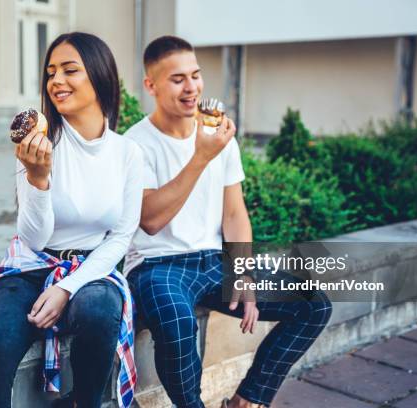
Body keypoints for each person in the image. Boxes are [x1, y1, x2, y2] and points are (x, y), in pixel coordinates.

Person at [123, 35, 333, 408]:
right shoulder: (135, 144)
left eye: (196, 75)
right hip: (157, 267)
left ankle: (247, 400)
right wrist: (202, 156)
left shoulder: (220, 136)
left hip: (213, 263)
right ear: (151, 86)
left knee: (313, 304)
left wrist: (244, 272)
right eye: (177, 79)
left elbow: (235, 213)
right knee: (176, 321)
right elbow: (150, 220)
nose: (192, 88)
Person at [0, 32, 143, 408]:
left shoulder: (127, 152)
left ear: (100, 76)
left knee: (99, 310)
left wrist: (67, 287)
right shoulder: (37, 143)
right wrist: (38, 179)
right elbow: (32, 237)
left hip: (90, 266)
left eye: (69, 70)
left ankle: (83, 403)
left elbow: (121, 236)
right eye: (51, 73)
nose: (56, 81)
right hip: (29, 266)